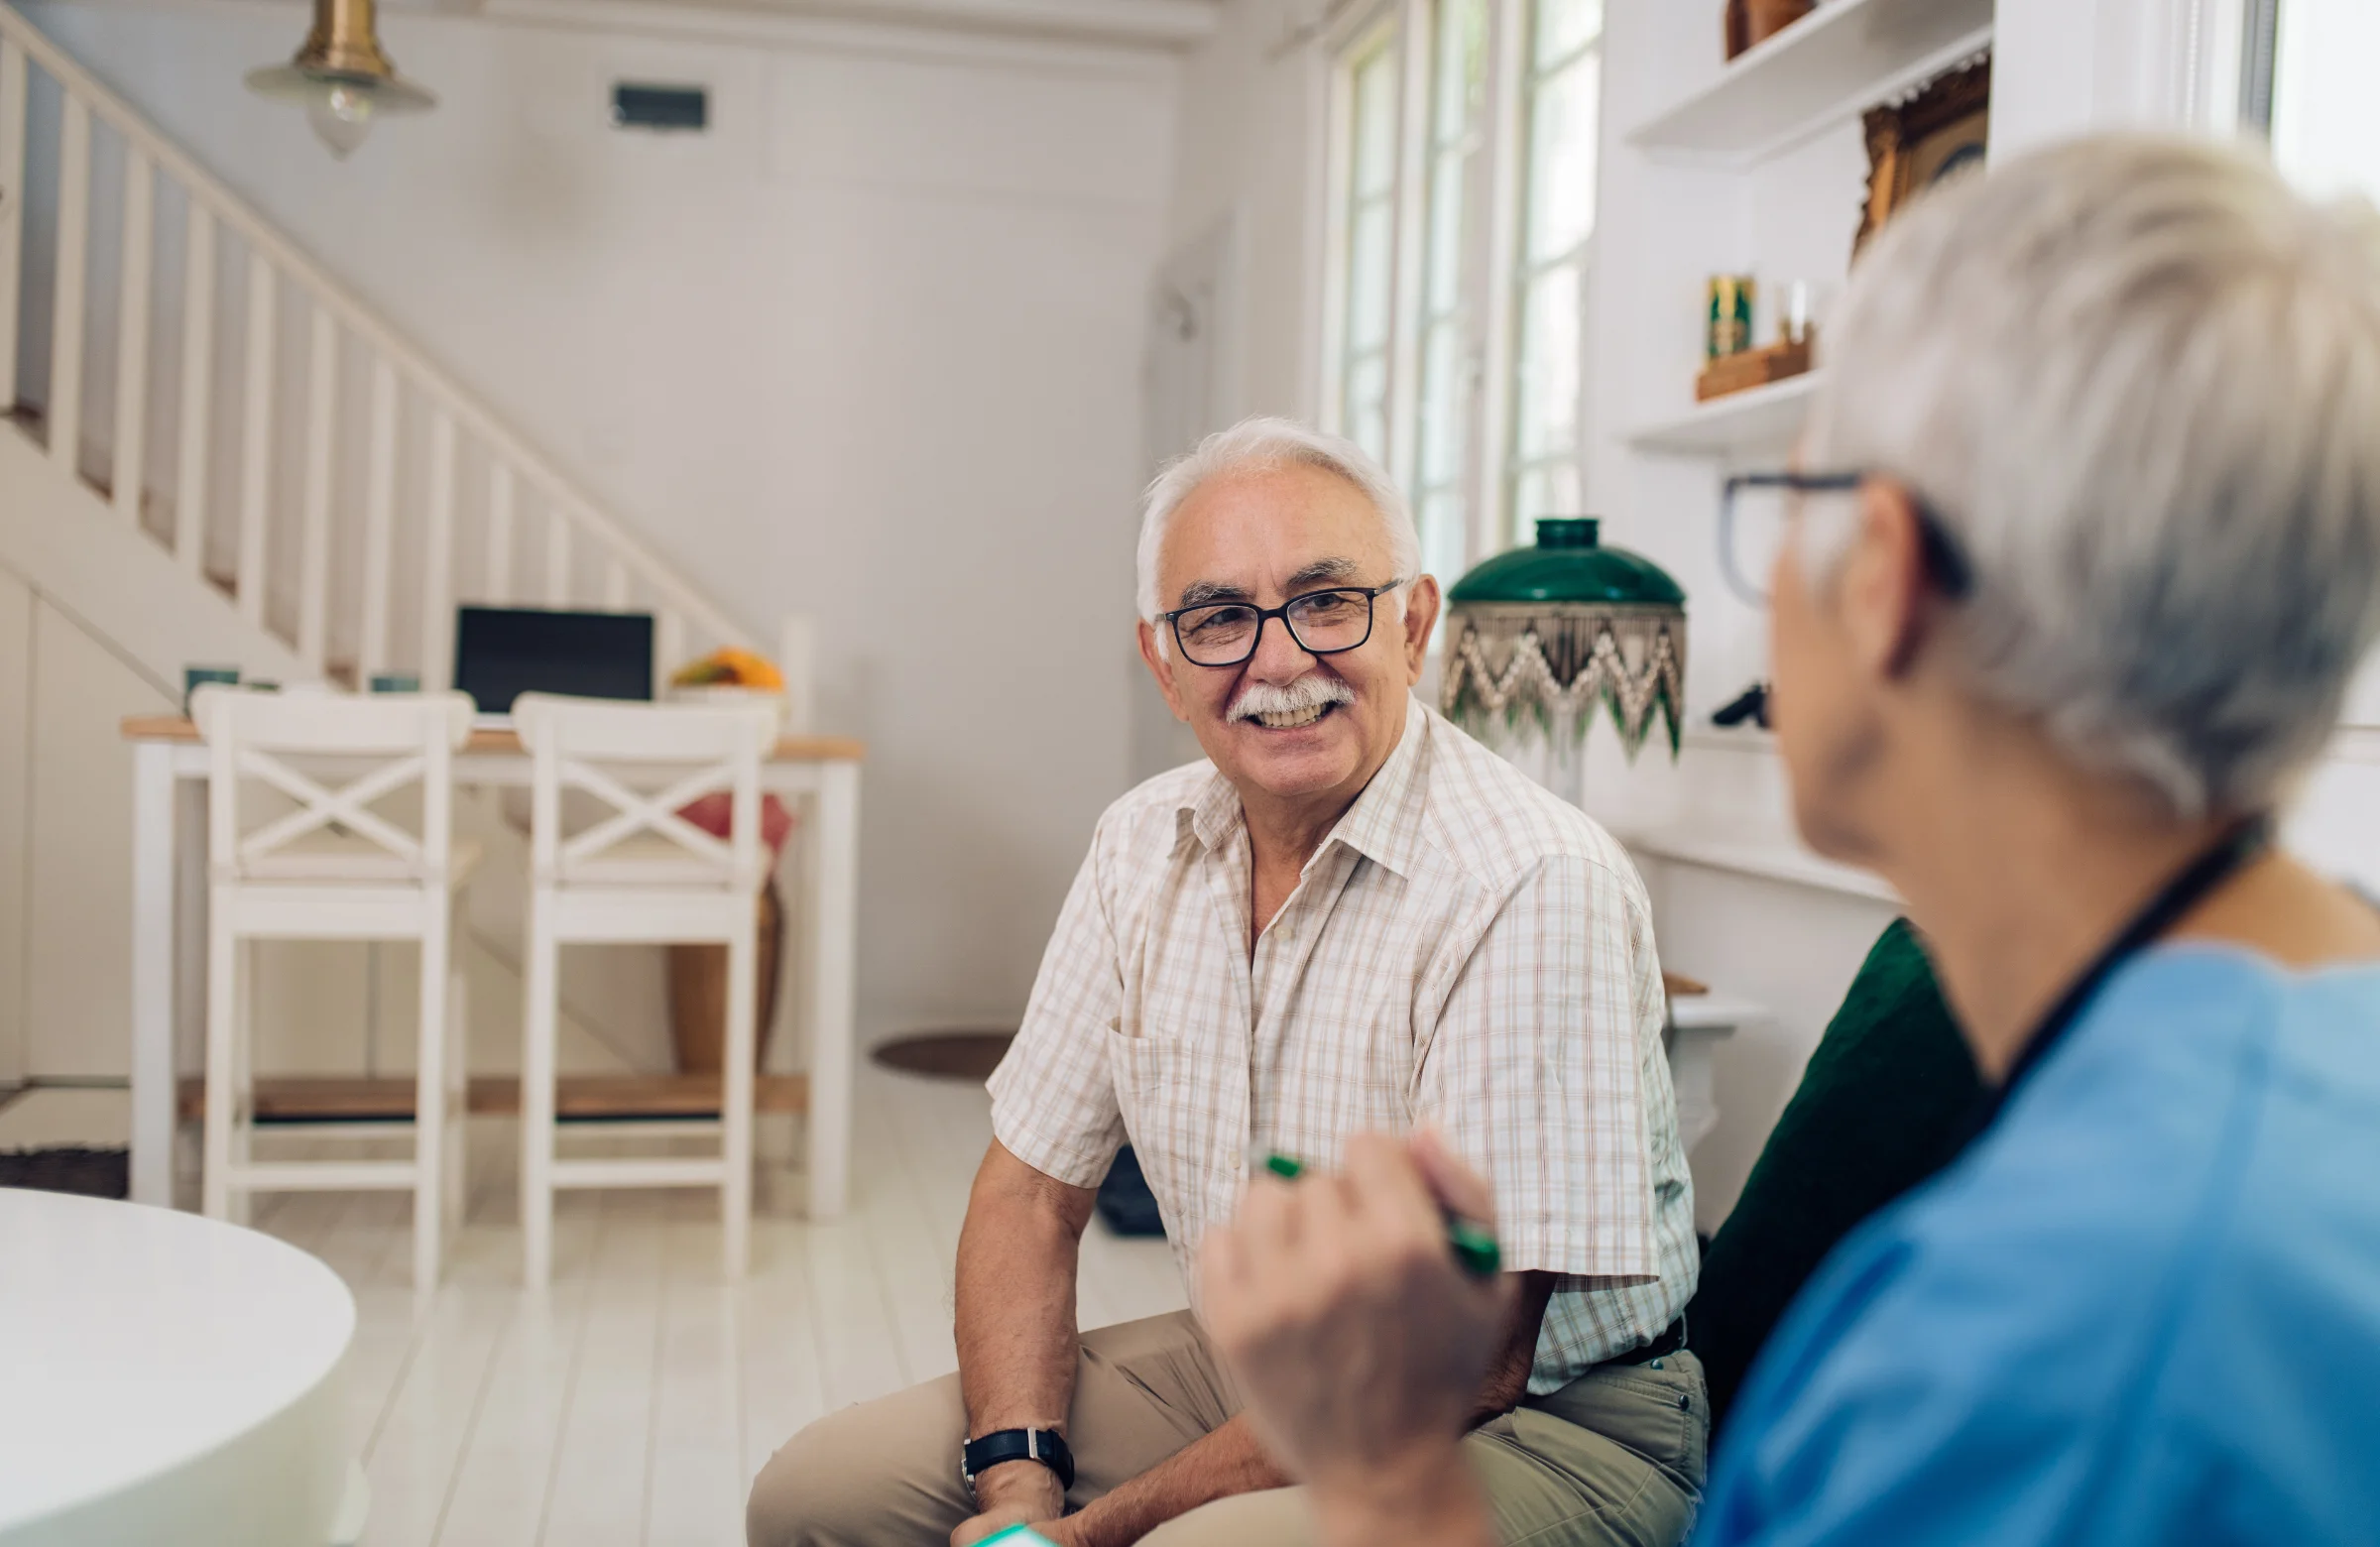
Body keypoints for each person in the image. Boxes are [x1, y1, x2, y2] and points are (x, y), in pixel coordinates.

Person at [1196, 133, 2380, 1546]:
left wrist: (1384, 1472)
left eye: (1787, 505)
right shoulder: (2304, 1043)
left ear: (1880, 575)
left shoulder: (2043, 1346)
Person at [745, 417, 1706, 1547]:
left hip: (1546, 1425)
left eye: (1327, 601)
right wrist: (1017, 1495)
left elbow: (1465, 1360)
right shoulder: (1141, 845)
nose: (1280, 660)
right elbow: (1029, 1196)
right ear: (1163, 662)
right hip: (1258, 1368)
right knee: (816, 1496)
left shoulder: (1534, 880)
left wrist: (1090, 1535)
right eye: (1219, 620)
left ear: (1414, 624)